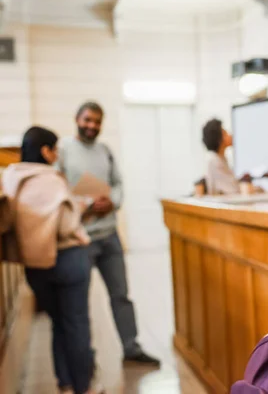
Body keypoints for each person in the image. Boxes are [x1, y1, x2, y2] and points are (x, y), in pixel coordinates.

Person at [57, 102, 160, 367]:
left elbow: (118, 183)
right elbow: (58, 188)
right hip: (80, 238)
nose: (92, 125)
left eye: (97, 121)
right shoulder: (64, 150)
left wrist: (111, 201)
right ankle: (84, 358)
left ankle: (131, 347)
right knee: (79, 304)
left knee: (121, 295)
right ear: (77, 119)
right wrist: (86, 205)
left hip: (109, 235)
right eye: (88, 120)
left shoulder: (105, 151)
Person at [1, 126, 98, 394]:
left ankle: (64, 383)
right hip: (68, 259)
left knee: (58, 322)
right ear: (45, 151)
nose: (57, 154)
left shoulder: (11, 176)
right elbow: (66, 226)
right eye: (55, 148)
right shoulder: (52, 178)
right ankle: (84, 387)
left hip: (34, 265)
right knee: (76, 324)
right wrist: (83, 206)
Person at [202, 118, 253, 195]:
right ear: (219, 139)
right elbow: (232, 189)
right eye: (225, 133)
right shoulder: (214, 160)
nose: (230, 135)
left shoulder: (221, 158)